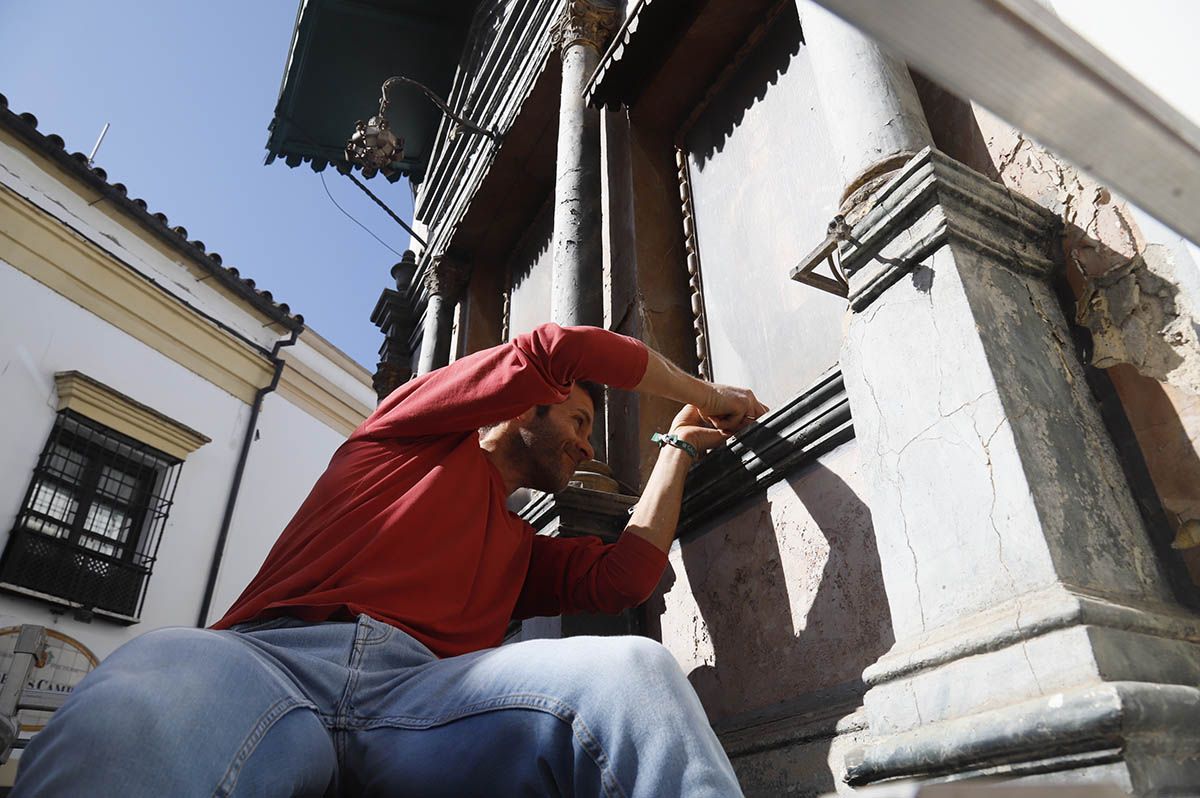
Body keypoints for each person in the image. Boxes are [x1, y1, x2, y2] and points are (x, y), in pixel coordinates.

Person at [14, 323, 767, 797]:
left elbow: (624, 577)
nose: (586, 444)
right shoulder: (404, 434)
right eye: (576, 418)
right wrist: (710, 392)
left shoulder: (518, 550)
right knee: (140, 700)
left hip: (427, 702)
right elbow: (560, 348)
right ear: (519, 407)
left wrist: (676, 446)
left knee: (634, 676)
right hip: (271, 660)